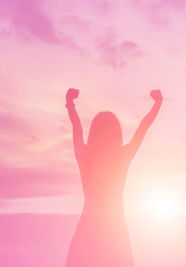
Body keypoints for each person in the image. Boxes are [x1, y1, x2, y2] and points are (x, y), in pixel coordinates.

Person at [64, 88, 163, 267]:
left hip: (87, 229)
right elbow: (143, 126)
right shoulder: (123, 155)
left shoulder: (84, 154)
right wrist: (157, 104)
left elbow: (76, 126)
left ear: (94, 132)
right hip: (114, 229)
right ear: (116, 132)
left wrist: (70, 103)